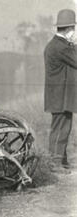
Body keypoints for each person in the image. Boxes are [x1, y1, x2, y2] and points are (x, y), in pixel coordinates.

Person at [44, 9, 77, 169]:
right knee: (61, 129)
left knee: (62, 127)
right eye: (74, 29)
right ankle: (55, 163)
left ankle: (60, 160)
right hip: (60, 96)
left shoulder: (58, 44)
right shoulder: (61, 47)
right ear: (69, 29)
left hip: (59, 95)